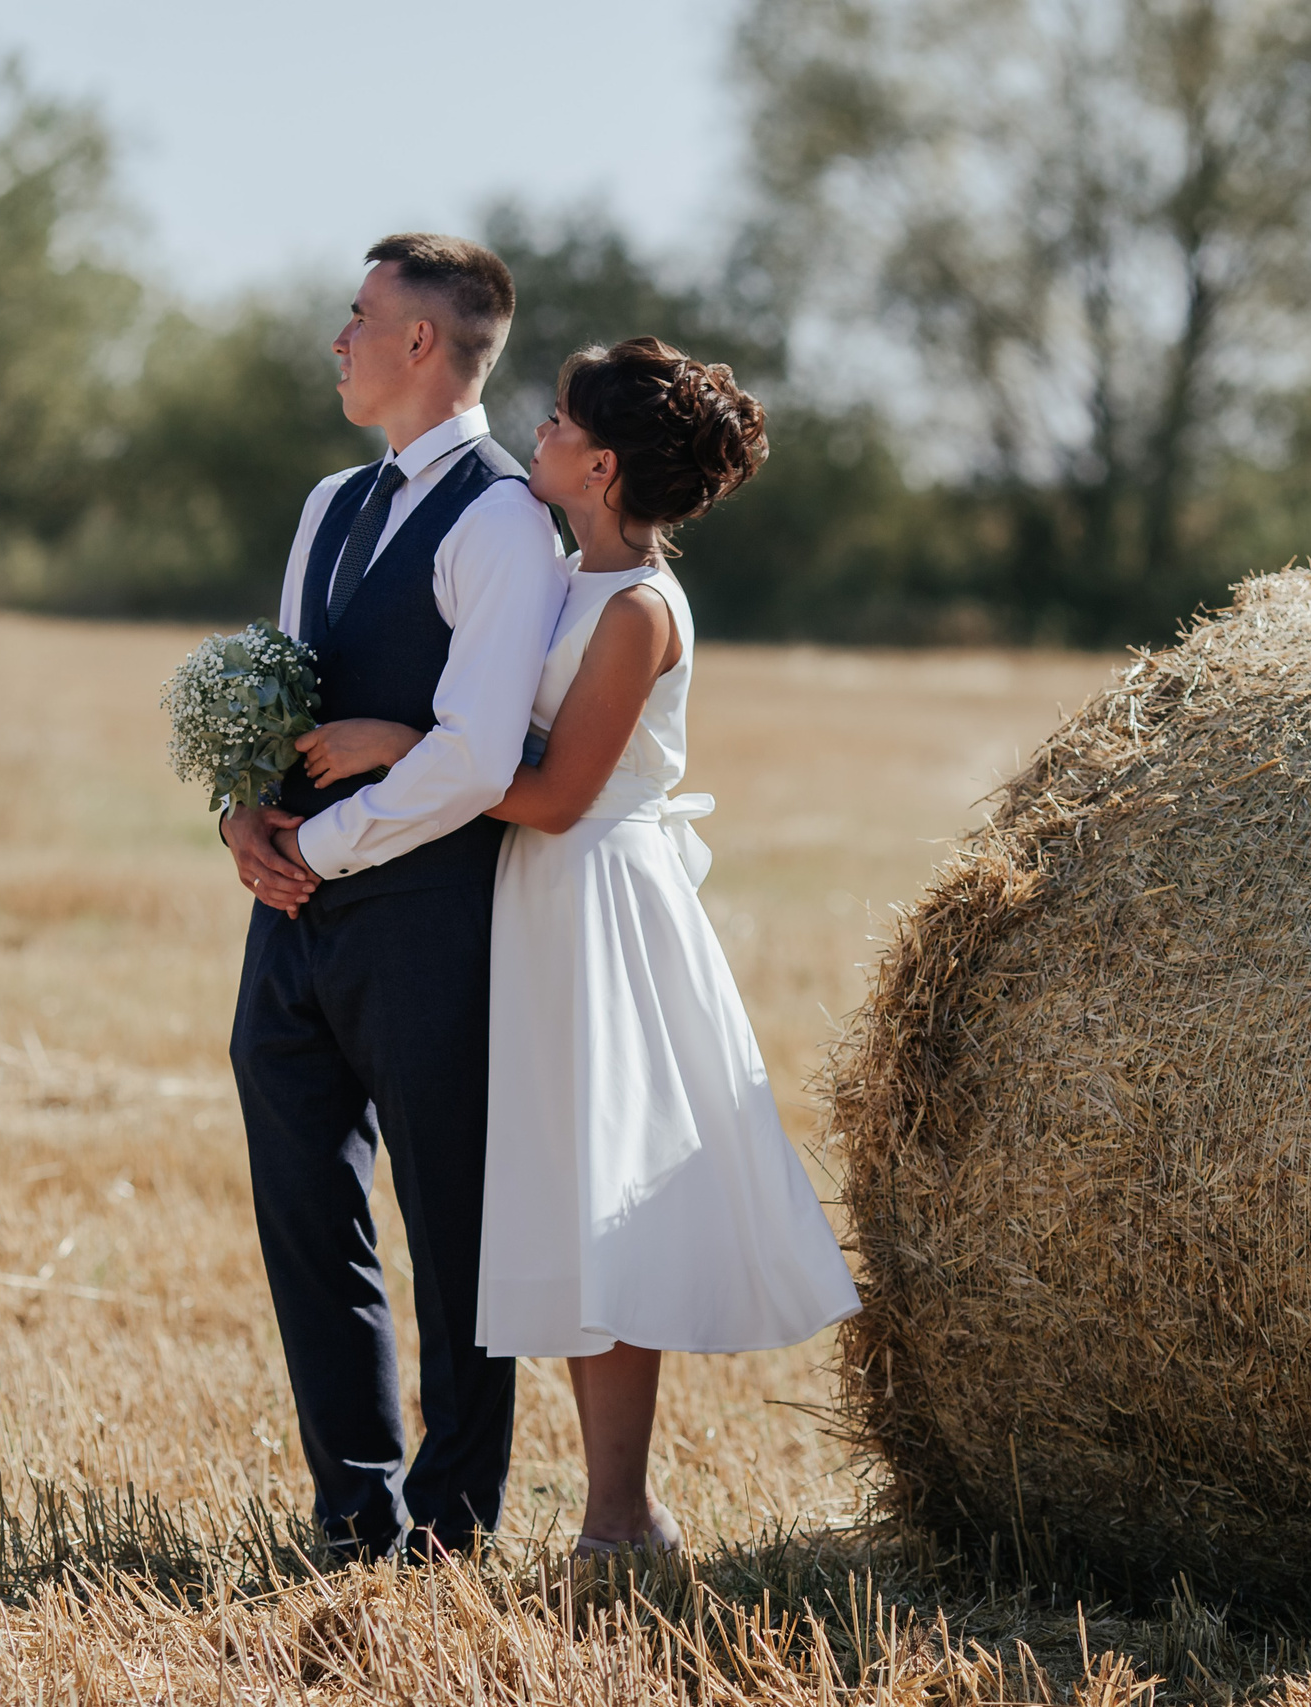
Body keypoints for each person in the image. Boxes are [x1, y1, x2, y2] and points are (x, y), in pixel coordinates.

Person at [296, 337, 860, 1557]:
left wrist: (408, 746)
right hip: (538, 902)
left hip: (597, 903)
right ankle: (617, 1511)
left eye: (555, 424)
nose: (534, 435)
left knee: (612, 1204)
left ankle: (620, 1517)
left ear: (598, 466)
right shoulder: (563, 574)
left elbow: (555, 796)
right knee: (559, 1199)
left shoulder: (637, 611)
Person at [220, 234, 567, 1564]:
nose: (339, 338)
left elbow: (478, 754)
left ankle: (457, 1516)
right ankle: (354, 1506)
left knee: (455, 1227)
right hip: (291, 920)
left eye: (358, 316)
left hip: (432, 924)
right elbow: (285, 689)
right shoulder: (328, 503)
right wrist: (247, 813)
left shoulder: (499, 518)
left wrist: (330, 841)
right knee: (307, 1210)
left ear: (422, 343)